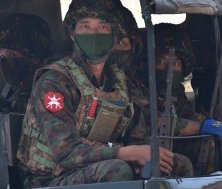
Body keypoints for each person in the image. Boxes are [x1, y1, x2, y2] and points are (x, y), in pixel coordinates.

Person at [16, 0, 193, 187]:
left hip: (94, 166)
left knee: (176, 164)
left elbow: (136, 130)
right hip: (50, 178)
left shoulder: (117, 81)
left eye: (102, 27)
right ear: (72, 33)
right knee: (117, 171)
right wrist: (128, 153)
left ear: (114, 35)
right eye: (85, 27)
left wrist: (143, 156)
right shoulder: (54, 82)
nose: (94, 34)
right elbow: (67, 154)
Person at [124, 23, 222, 175]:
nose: (168, 68)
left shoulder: (177, 92)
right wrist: (203, 125)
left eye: (175, 63)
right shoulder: (132, 85)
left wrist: (218, 122)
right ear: (146, 62)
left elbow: (187, 116)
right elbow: (152, 120)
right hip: (141, 148)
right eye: (161, 61)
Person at [0, 13, 53, 113]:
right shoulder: (13, 88)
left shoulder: (49, 90)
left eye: (12, 55)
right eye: (1, 55)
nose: (5, 62)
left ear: (34, 57)